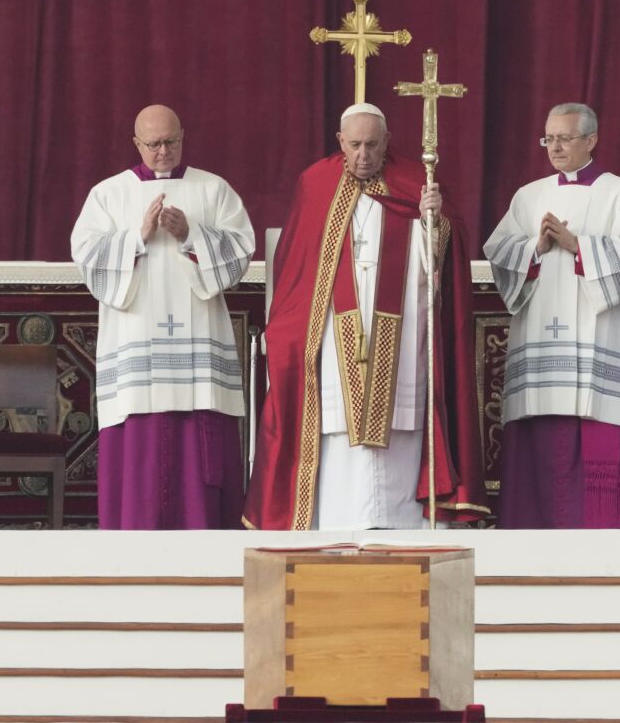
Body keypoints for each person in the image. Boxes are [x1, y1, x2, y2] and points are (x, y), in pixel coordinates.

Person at [244, 103, 488, 530]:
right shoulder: (315, 184)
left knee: (400, 430)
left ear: (388, 142)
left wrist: (436, 222)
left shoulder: (417, 182)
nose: (363, 155)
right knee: (337, 435)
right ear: (340, 142)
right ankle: (332, 525)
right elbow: (296, 270)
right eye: (354, 145)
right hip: (333, 342)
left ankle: (406, 528)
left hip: (404, 337)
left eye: (372, 145)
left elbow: (443, 267)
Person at [71, 104, 254, 529]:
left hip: (198, 362)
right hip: (137, 351)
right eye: (153, 144)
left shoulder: (212, 190)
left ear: (183, 136)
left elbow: (240, 250)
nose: (163, 151)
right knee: (141, 455)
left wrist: (191, 235)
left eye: (171, 142)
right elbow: (88, 257)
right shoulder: (109, 194)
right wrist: (138, 237)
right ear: (137, 143)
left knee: (198, 446)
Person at [484, 103, 620, 528]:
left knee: (600, 435)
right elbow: (500, 255)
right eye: (549, 138)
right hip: (542, 340)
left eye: (564, 138)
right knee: (538, 441)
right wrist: (534, 248)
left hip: (600, 344)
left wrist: (579, 246)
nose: (554, 147)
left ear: (591, 140)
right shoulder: (529, 196)